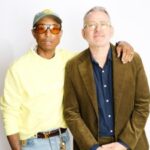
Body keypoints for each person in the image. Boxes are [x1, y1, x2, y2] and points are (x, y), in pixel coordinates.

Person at [0, 9, 134, 150]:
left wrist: (121, 44)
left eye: (55, 29)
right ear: (34, 33)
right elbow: (9, 113)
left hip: (64, 141)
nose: (48, 34)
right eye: (42, 28)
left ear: (61, 34)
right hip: (34, 144)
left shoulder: (70, 60)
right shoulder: (18, 68)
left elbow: (99, 52)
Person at [63, 6, 150, 150]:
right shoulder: (73, 66)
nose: (98, 29)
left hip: (131, 144)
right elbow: (71, 112)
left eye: (103, 24)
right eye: (91, 25)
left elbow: (143, 104)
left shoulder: (132, 60)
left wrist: (125, 143)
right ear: (83, 33)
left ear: (111, 30)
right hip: (92, 145)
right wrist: (92, 147)